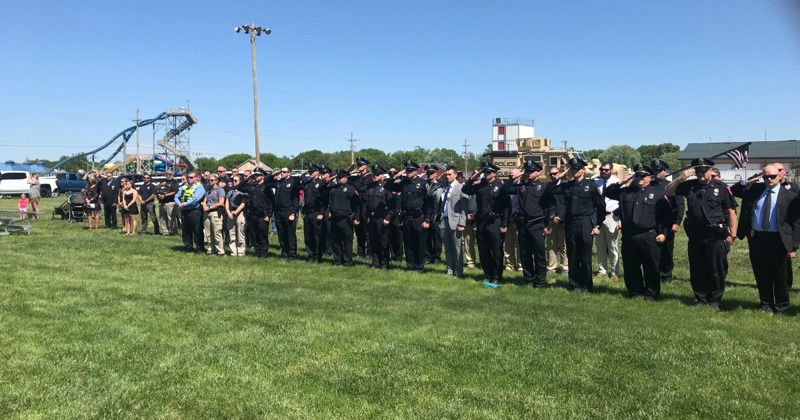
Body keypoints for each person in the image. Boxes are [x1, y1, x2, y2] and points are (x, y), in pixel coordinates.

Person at [666, 158, 737, 311]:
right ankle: (700, 299)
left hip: (716, 235)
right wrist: (680, 178)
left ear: (711, 170)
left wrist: (733, 234)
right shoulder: (690, 186)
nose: (701, 174)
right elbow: (668, 192)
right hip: (696, 235)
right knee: (697, 269)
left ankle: (714, 301)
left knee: (715, 269)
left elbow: (731, 211)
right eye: (698, 171)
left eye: (704, 170)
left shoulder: (721, 187)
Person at [730, 165, 799, 314]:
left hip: (778, 240)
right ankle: (765, 304)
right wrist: (753, 180)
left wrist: (793, 246)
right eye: (765, 176)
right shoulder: (754, 191)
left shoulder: (789, 196)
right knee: (761, 273)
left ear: (780, 176)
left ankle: (782, 306)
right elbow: (733, 191)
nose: (769, 179)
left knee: (780, 276)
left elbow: (796, 223)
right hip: (757, 239)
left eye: (772, 176)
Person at [605, 164, 673, 300]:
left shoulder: (658, 193)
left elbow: (667, 216)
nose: (640, 178)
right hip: (629, 235)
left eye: (643, 175)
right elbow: (608, 192)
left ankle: (651, 294)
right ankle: (635, 292)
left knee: (651, 267)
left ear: (650, 177)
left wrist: (664, 233)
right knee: (631, 266)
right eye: (637, 175)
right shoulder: (627, 192)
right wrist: (623, 182)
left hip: (649, 235)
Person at [554, 158, 606, 292]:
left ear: (583, 170)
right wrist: (558, 178)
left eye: (577, 169)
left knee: (585, 256)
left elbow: (600, 206)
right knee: (573, 255)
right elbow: (549, 192)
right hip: (571, 223)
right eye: (572, 169)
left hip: (585, 223)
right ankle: (575, 284)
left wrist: (598, 225)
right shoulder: (567, 186)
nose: (574, 171)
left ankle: (586, 285)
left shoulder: (591, 186)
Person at [504, 160, 556, 288]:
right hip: (523, 224)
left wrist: (548, 224)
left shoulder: (543, 187)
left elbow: (551, 207)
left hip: (537, 224)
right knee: (525, 254)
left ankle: (540, 281)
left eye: (531, 171)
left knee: (539, 254)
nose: (528, 173)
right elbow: (504, 189)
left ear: (538, 173)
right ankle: (528, 280)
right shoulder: (521, 187)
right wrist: (515, 177)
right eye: (527, 171)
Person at [462, 162, 510, 287]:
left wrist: (504, 224)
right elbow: (466, 189)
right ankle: (488, 275)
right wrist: (473, 177)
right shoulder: (480, 185)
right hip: (481, 222)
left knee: (496, 251)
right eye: (485, 172)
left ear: (494, 173)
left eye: (488, 172)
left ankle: (496, 277)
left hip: (495, 221)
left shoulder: (500, 186)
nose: (486, 174)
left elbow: (506, 207)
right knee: (483, 251)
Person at [385, 161, 433, 273]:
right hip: (407, 217)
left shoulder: (422, 183)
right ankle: (410, 266)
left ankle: (419, 266)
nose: (408, 172)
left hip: (418, 217)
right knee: (408, 242)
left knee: (419, 243)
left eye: (410, 171)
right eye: (407, 170)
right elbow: (388, 186)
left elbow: (428, 203)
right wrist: (396, 176)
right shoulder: (404, 183)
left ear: (416, 171)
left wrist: (427, 219)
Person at [651, 159, 684, 284]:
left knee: (667, 251)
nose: (657, 173)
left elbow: (680, 205)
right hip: (653, 222)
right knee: (653, 250)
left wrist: (677, 222)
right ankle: (655, 273)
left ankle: (666, 275)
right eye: (655, 171)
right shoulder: (650, 185)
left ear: (666, 171)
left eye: (660, 170)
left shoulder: (672, 186)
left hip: (668, 222)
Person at [434, 166, 468, 278]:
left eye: (450, 174)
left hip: (455, 221)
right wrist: (439, 179)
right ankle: (450, 269)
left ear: (456, 175)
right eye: (446, 174)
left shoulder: (461, 187)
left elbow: (464, 207)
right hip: (443, 220)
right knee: (448, 248)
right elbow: (431, 193)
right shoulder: (443, 187)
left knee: (457, 249)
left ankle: (458, 272)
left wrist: (462, 223)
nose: (447, 176)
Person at [363, 165, 394, 269]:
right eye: (373, 174)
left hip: (382, 217)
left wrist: (388, 217)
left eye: (377, 175)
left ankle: (385, 263)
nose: (374, 176)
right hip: (372, 218)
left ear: (382, 175)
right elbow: (367, 202)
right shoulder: (370, 186)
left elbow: (391, 204)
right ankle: (376, 263)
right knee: (373, 241)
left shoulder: (386, 186)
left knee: (383, 242)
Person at [327, 169, 361, 267]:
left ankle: (347, 260)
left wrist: (357, 218)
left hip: (346, 218)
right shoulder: (333, 189)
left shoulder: (351, 189)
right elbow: (331, 202)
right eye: (338, 177)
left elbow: (357, 205)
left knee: (347, 240)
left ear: (346, 178)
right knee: (335, 240)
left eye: (341, 177)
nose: (338, 179)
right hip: (334, 218)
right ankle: (338, 259)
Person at [237, 169, 274, 258]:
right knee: (254, 234)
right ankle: (257, 252)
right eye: (255, 175)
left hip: (263, 214)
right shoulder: (252, 186)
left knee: (263, 234)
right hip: (252, 214)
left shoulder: (266, 187)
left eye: (258, 175)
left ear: (262, 176)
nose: (256, 177)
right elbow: (239, 188)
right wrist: (246, 179)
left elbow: (271, 202)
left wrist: (268, 215)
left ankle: (264, 252)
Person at [594, 161, 621, 280]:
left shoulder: (617, 183)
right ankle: (602, 270)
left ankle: (615, 271)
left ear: (611, 170)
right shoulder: (597, 183)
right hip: (599, 216)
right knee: (599, 245)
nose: (603, 171)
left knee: (612, 245)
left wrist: (620, 219)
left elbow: (623, 202)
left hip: (612, 216)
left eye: (606, 170)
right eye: (601, 169)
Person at [271, 167, 301, 260]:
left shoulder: (293, 183)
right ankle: (284, 252)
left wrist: (293, 213)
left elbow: (296, 199)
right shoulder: (279, 182)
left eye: (284, 172)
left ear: (289, 173)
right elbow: (268, 181)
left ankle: (292, 254)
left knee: (290, 234)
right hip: (278, 211)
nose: (282, 173)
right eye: (281, 171)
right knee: (281, 234)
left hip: (288, 211)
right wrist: (275, 173)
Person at [301, 164, 326, 263]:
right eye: (310, 172)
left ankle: (317, 256)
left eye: (312, 172)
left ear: (317, 172)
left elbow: (324, 201)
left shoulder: (321, 184)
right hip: (307, 212)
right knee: (308, 236)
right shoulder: (307, 183)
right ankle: (310, 255)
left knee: (317, 236)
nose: (311, 173)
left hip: (316, 212)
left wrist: (321, 213)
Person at [175, 171, 206, 253]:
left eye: (191, 177)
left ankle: (199, 248)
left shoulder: (199, 187)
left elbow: (195, 199)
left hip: (194, 211)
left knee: (197, 230)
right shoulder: (184, 186)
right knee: (186, 231)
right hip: (185, 211)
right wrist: (180, 204)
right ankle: (188, 247)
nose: (189, 179)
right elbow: (176, 196)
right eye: (188, 177)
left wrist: (184, 204)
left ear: (196, 178)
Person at [546, 167, 569, 274]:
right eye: (551, 174)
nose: (553, 176)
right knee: (551, 245)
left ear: (560, 173)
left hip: (562, 220)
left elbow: (566, 204)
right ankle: (551, 266)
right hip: (550, 219)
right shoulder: (549, 186)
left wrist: (560, 217)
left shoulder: (565, 185)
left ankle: (565, 266)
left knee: (564, 245)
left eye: (555, 174)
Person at [351, 157, 371, 259]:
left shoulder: (370, 177)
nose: (359, 167)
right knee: (359, 231)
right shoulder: (357, 178)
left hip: (366, 206)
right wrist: (350, 171)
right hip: (358, 206)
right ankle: (360, 252)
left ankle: (369, 253)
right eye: (358, 165)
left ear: (366, 166)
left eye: (361, 165)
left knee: (367, 231)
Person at [503, 168, 522, 272]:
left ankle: (520, 264)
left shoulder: (522, 186)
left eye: (513, 176)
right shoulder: (507, 186)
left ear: (519, 176)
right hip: (508, 219)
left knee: (520, 244)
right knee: (508, 244)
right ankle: (509, 264)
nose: (511, 177)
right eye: (510, 176)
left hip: (518, 219)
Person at [202, 175, 226, 256]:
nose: (210, 181)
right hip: (207, 213)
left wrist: (209, 207)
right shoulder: (208, 190)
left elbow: (221, 202)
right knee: (208, 233)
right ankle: (210, 250)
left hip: (215, 212)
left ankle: (220, 251)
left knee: (217, 232)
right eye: (209, 180)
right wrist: (204, 206)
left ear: (216, 181)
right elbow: (205, 200)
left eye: (212, 180)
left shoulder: (220, 190)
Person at [425, 165, 443, 264]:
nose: (429, 175)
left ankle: (436, 257)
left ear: (436, 174)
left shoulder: (440, 185)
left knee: (437, 237)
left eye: (431, 173)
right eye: (428, 173)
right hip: (425, 214)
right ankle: (428, 256)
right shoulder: (423, 184)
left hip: (436, 214)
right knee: (426, 236)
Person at [225, 175, 247, 256]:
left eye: (236, 180)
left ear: (240, 181)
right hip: (230, 212)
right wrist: (228, 212)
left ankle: (241, 251)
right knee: (231, 232)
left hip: (239, 212)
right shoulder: (230, 192)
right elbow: (226, 203)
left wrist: (235, 212)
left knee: (240, 232)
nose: (234, 182)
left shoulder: (243, 192)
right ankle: (233, 251)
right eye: (233, 180)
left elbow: (243, 204)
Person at [157, 170, 179, 235]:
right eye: (167, 173)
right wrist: (160, 185)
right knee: (162, 218)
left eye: (170, 174)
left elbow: (174, 192)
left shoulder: (174, 182)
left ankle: (173, 231)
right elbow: (156, 189)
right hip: (161, 202)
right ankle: (165, 231)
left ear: (172, 174)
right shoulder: (162, 181)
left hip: (170, 202)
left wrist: (165, 195)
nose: (168, 175)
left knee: (171, 218)